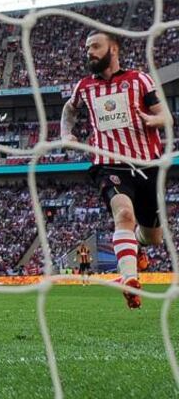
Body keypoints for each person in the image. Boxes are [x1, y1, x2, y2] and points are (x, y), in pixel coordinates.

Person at [61, 30, 171, 309]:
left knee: (153, 237)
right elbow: (69, 109)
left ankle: (138, 246)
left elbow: (165, 116)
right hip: (108, 164)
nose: (89, 52)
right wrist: (66, 133)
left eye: (95, 46)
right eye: (87, 47)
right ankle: (129, 280)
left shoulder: (139, 80)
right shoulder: (85, 86)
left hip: (147, 166)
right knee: (123, 214)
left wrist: (153, 120)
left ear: (113, 49)